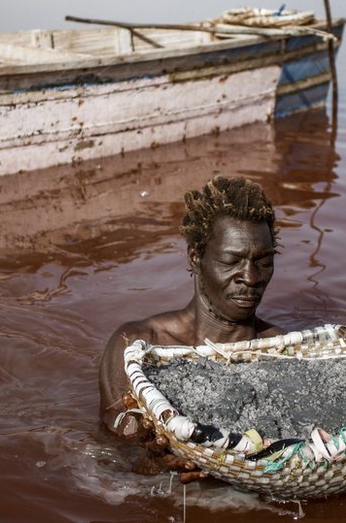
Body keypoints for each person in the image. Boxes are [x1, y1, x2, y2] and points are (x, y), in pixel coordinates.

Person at [98, 176, 285, 472]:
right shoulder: (135, 345)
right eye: (232, 261)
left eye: (263, 261)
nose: (250, 278)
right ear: (196, 257)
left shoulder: (284, 353)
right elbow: (115, 446)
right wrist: (153, 455)